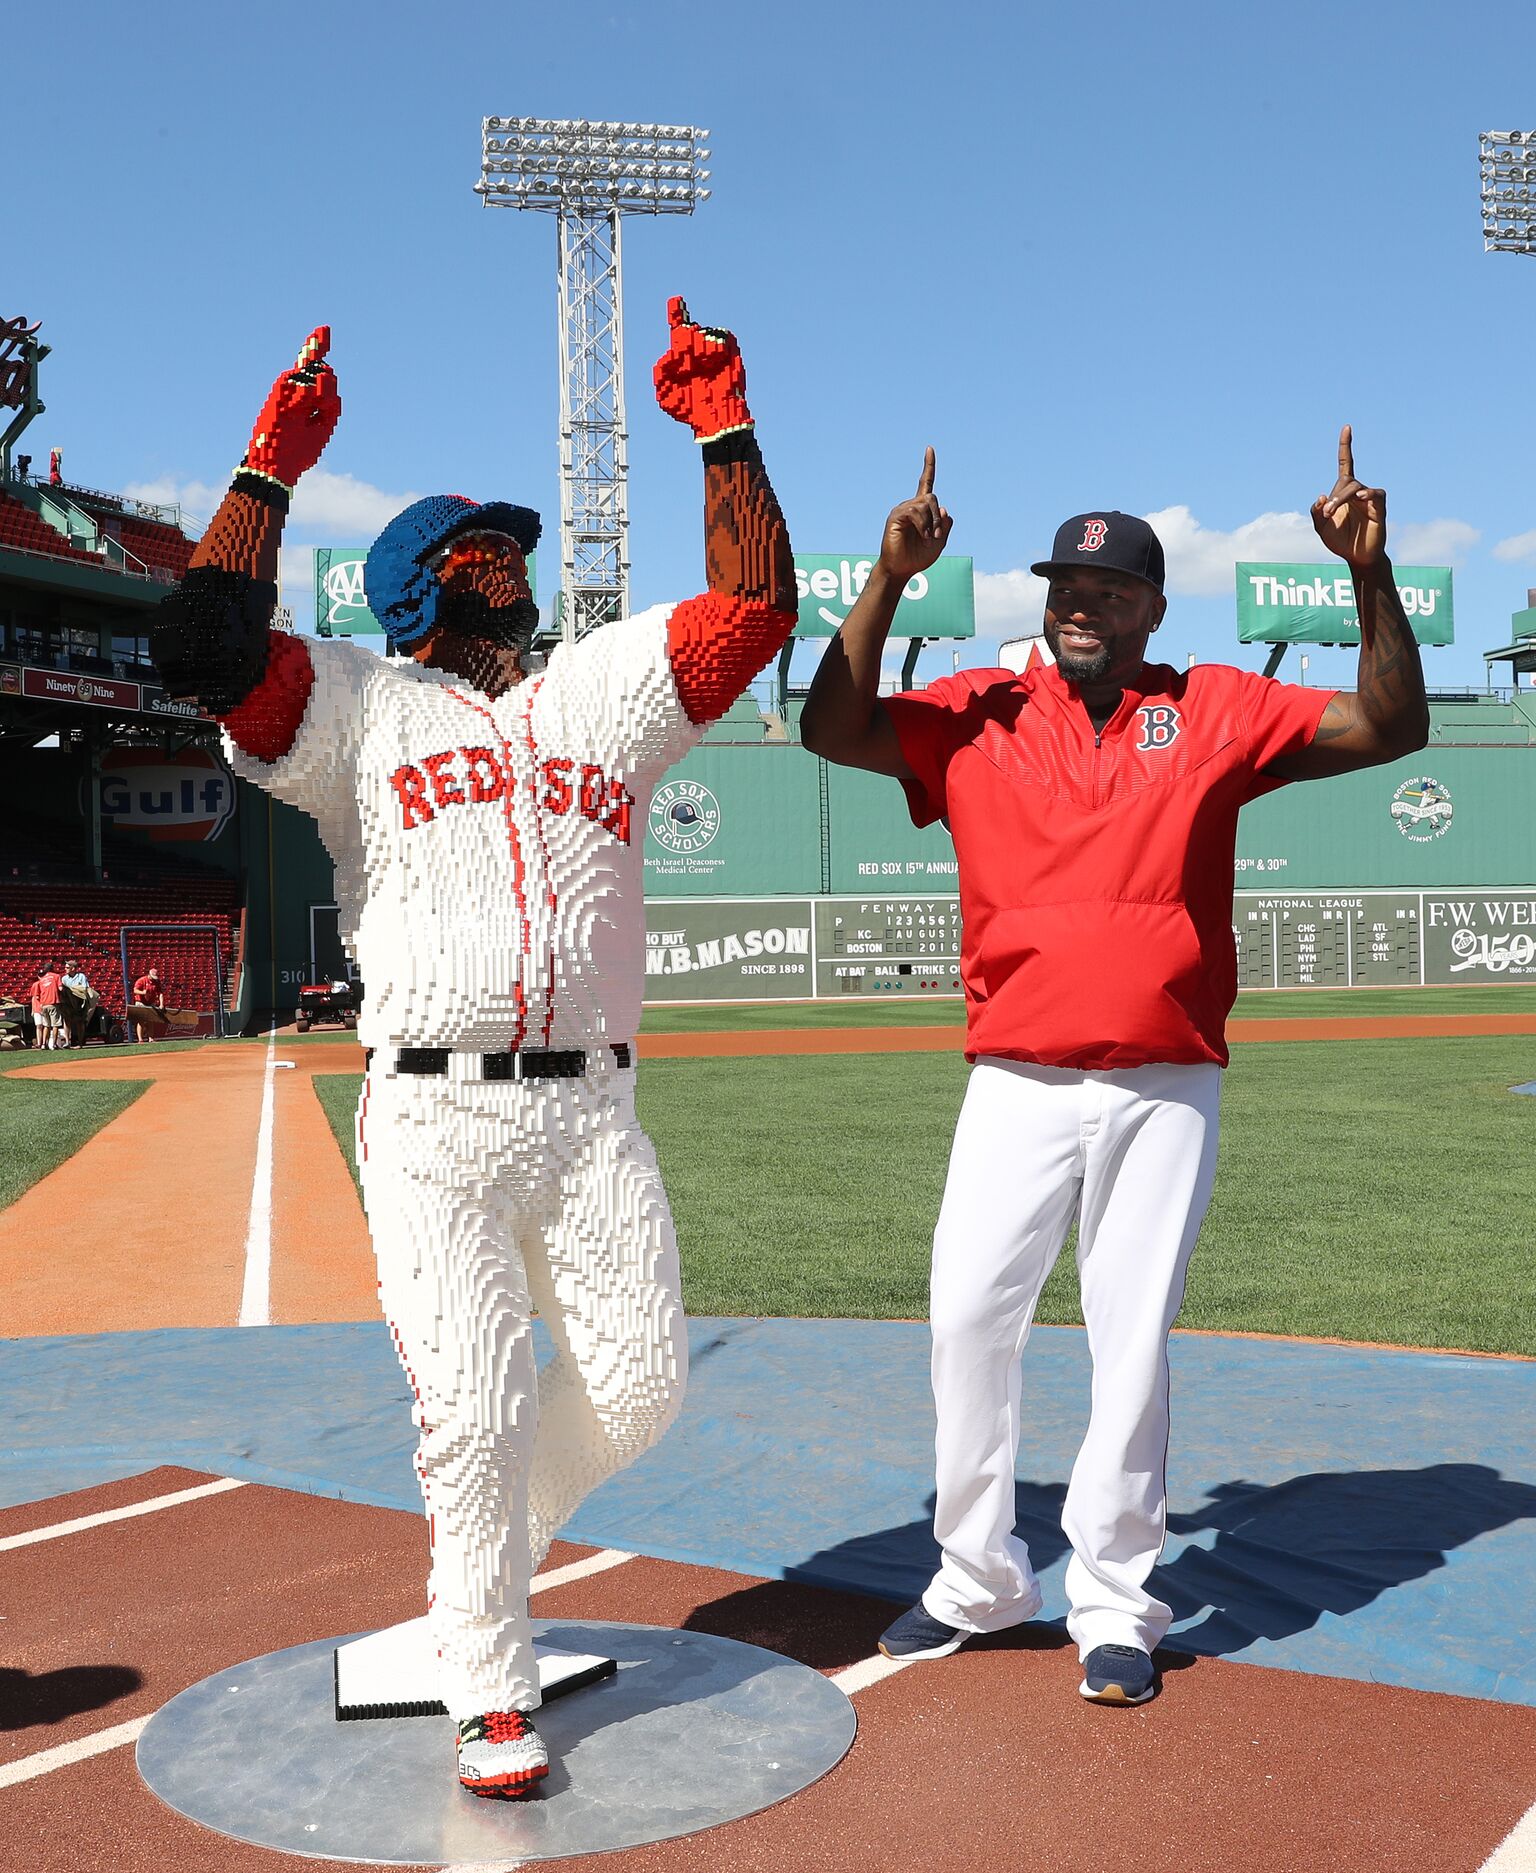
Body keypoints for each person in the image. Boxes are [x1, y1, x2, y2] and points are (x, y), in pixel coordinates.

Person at [149, 312, 794, 1797]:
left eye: (515, 543)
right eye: (489, 546)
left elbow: (753, 610)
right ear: (433, 586)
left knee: (638, 1391)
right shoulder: (355, 711)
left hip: (594, 1113)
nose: (520, 557)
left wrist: (723, 428)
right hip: (432, 1117)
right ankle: (487, 1680)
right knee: (481, 1409)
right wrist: (266, 467)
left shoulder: (603, 696)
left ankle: (475, 1564)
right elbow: (201, 645)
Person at [801, 432, 1428, 1707]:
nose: (1080, 605)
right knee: (968, 1320)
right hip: (1014, 1079)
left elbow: (1390, 725)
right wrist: (885, 579)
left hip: (1163, 1079)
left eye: (1109, 592)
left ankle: (1117, 1603)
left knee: (1128, 1345)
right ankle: (975, 1578)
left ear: (1152, 608)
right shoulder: (978, 709)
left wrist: (1370, 574)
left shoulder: (1209, 707)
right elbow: (831, 726)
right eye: (1064, 588)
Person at [30, 958, 63, 1050]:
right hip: (53, 1003)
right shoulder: (56, 976)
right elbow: (60, 988)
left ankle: (44, 1044)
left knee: (46, 1025)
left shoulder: (41, 980)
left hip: (44, 1005)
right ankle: (54, 1044)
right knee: (55, 1025)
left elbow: (36, 996)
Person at [128, 967, 166, 1041]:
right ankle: (140, 1039)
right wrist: (143, 992)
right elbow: (135, 990)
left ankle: (151, 1038)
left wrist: (161, 1004)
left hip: (150, 1002)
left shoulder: (156, 982)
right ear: (149, 974)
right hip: (140, 1002)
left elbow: (160, 993)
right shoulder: (142, 980)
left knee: (150, 1021)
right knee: (141, 1021)